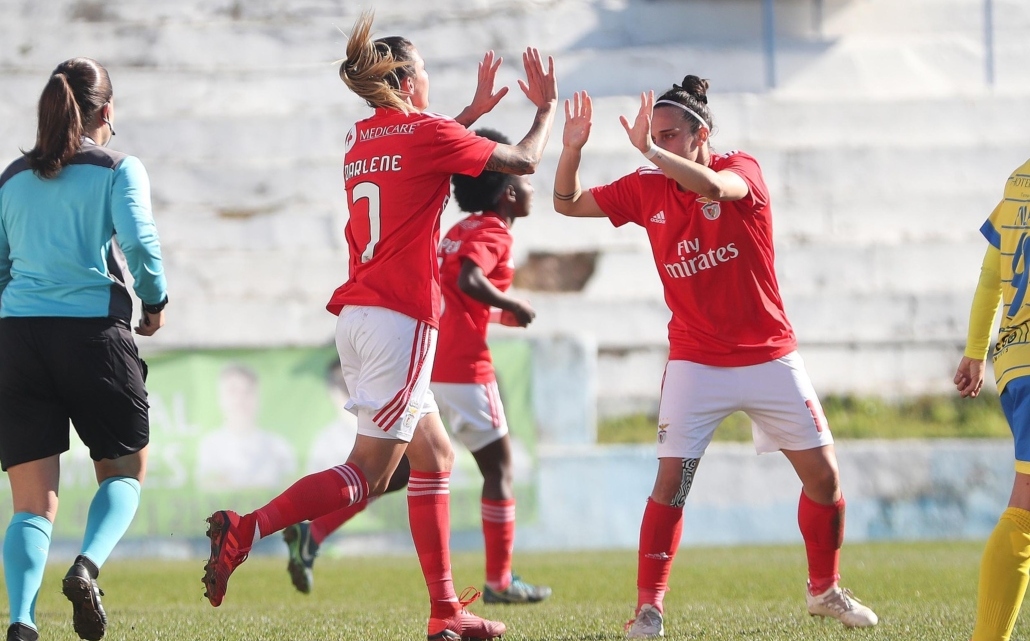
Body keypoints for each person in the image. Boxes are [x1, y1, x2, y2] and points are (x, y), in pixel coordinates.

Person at [201, 10, 557, 641]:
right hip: (401, 317)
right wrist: (545, 112)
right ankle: (247, 528)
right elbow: (521, 163)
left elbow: (422, 155)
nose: (428, 80)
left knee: (436, 455)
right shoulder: (424, 133)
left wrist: (464, 114)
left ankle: (447, 612)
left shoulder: (361, 139)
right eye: (423, 70)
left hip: (361, 316)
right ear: (406, 79)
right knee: (369, 470)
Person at [551, 78, 878, 637]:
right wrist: (573, 150)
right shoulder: (646, 187)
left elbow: (718, 189)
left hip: (769, 354)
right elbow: (567, 204)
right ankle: (649, 609)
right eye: (656, 137)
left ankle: (823, 591)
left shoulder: (740, 167)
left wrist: (652, 155)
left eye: (672, 135)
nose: (661, 146)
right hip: (696, 362)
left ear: (702, 133)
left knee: (824, 480)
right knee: (671, 485)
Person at [281, 128, 550, 605]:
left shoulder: (456, 231)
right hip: (465, 369)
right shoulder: (492, 231)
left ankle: (315, 531)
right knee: (500, 468)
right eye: (528, 184)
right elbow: (470, 279)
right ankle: (500, 580)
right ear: (508, 191)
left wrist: (502, 310)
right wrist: (511, 302)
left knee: (398, 472)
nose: (533, 190)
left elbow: (460, 286)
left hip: (427, 365)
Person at [0, 57, 168, 641]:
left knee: (30, 505)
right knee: (124, 469)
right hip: (92, 336)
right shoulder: (118, 168)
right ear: (106, 111)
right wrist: (154, 302)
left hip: (17, 339)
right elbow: (141, 244)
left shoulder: (12, 178)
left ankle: (21, 622)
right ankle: (86, 565)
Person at [955, 158, 1030, 641]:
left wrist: (976, 352)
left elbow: (989, 275)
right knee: (1025, 509)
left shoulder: (1019, 179)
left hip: (1014, 360)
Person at [195, 364, 297, 490]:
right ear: (221, 398)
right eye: (233, 391)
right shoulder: (209, 447)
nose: (240, 399)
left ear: (258, 397)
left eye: (247, 391)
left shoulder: (279, 446)